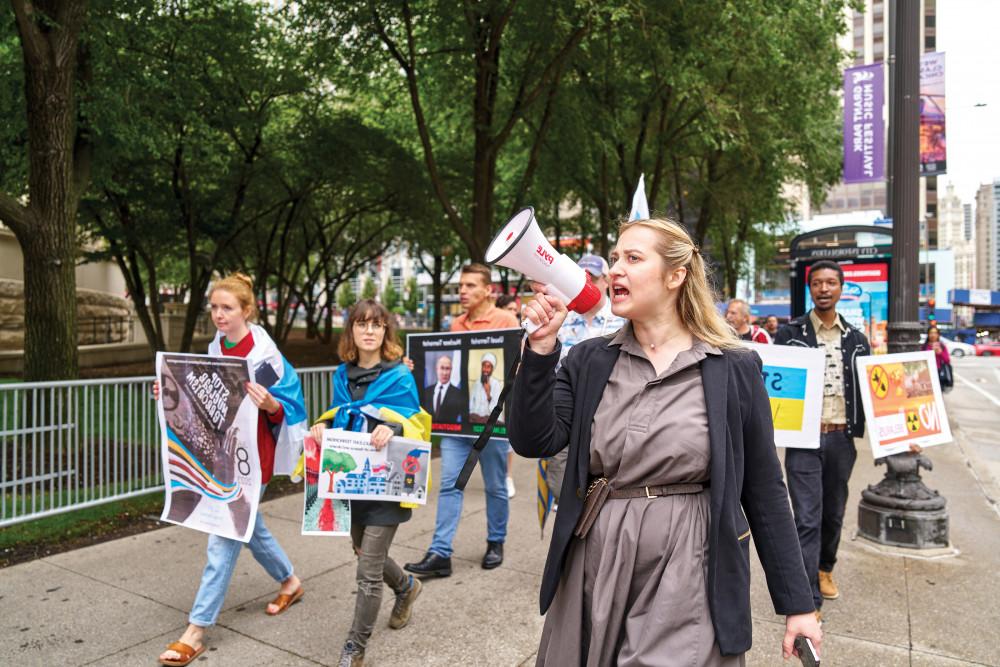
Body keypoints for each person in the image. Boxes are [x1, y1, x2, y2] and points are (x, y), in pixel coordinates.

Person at [510, 218, 820, 665]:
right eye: (615, 258)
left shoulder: (733, 367)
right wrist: (539, 353)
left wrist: (798, 604)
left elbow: (765, 489)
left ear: (676, 276)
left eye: (633, 258)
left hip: (690, 559)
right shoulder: (589, 360)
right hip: (597, 555)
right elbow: (533, 439)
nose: (616, 269)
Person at [156, 273, 307, 667]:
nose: (218, 315)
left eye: (227, 308)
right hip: (223, 453)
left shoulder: (265, 355)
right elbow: (203, 399)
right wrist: (167, 387)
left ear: (247, 310)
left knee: (224, 533)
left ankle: (196, 629)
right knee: (248, 526)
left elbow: (289, 407)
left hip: (254, 456)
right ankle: (290, 581)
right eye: (214, 307)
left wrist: (271, 404)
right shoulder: (215, 345)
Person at [310, 299, 431, 667]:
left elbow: (416, 422)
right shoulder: (339, 375)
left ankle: (354, 647)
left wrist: (391, 427)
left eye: (376, 325)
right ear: (351, 331)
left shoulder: (398, 376)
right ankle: (408, 587)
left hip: (386, 483)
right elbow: (340, 416)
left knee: (367, 573)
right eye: (361, 324)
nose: (368, 331)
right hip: (351, 481)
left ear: (385, 331)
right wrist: (323, 426)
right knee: (363, 551)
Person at [405, 263, 519, 577]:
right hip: (458, 425)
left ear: (488, 290)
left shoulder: (506, 321)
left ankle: (496, 541)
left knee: (495, 487)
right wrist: (414, 365)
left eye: (470, 286)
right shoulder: (456, 323)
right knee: (450, 485)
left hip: (492, 423)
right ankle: (440, 553)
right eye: (461, 286)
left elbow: (516, 366)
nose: (463, 291)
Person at [774, 259, 871, 613]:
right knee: (807, 517)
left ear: (841, 288)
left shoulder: (858, 339)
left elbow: (871, 391)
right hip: (804, 441)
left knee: (833, 514)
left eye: (831, 283)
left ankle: (824, 567)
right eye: (818, 283)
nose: (824, 289)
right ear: (810, 288)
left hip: (842, 439)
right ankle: (807, 596)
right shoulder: (791, 333)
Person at [545, 254, 625, 507]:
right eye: (582, 278)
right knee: (561, 488)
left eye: (594, 279)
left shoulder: (624, 319)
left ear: (606, 281)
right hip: (567, 417)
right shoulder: (560, 320)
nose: (588, 284)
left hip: (610, 419)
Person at [422, 354, 464, 423]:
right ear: (436, 369)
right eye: (442, 368)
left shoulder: (458, 394)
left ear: (451, 370)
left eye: (447, 369)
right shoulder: (426, 392)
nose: (444, 373)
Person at [468, 352, 502, 423]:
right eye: (484, 366)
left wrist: (488, 394)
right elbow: (470, 405)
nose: (485, 369)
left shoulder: (496, 384)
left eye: (488, 367)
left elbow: (497, 409)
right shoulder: (476, 384)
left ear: (492, 369)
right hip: (475, 419)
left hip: (489, 421)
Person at [924, 326, 953, 391]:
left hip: (939, 373)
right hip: (927, 374)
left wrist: (940, 352)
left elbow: (947, 361)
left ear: (938, 335)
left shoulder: (942, 346)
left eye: (935, 333)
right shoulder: (925, 346)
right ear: (928, 334)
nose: (933, 335)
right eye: (931, 333)